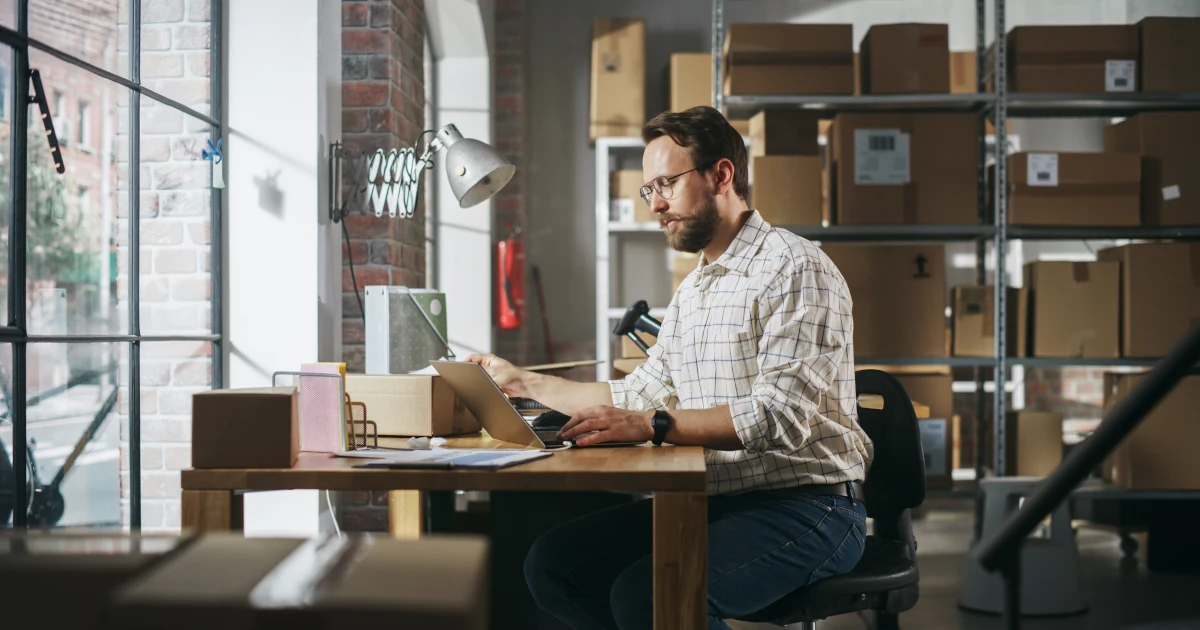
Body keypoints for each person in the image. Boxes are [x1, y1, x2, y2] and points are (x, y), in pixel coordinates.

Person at [468, 106, 872, 630]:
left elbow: (779, 416)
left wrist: (656, 424)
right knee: (553, 565)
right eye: (647, 190)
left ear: (721, 175)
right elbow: (640, 392)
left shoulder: (796, 268)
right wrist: (520, 381)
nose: (655, 204)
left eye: (666, 184)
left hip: (811, 510)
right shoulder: (694, 291)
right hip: (719, 500)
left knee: (651, 594)